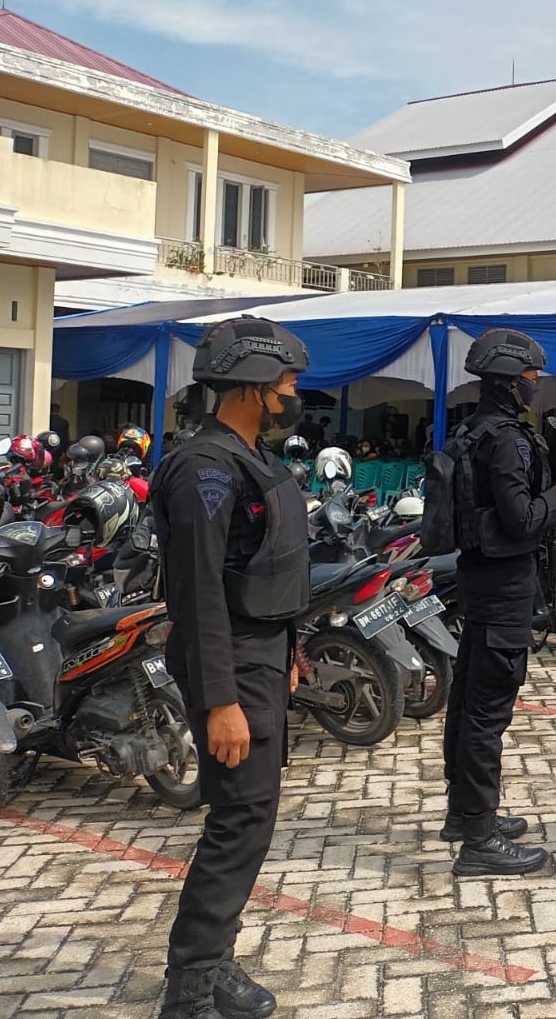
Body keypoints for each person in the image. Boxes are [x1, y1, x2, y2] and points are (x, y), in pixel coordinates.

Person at [152, 316, 313, 1019]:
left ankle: (212, 964)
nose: (292, 393)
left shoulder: (247, 457)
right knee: (237, 822)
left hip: (261, 657)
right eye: (286, 382)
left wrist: (291, 652)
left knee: (250, 818)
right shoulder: (204, 470)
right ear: (252, 385)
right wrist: (221, 700)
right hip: (230, 664)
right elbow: (198, 596)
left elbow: (268, 569)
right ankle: (189, 992)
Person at [439, 329, 556, 874]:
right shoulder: (507, 440)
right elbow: (521, 519)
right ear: (509, 380)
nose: (536, 386)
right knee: (487, 714)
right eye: (532, 378)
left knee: (467, 702)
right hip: (504, 589)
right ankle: (479, 839)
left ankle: (463, 814)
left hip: (478, 581)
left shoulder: (469, 432)